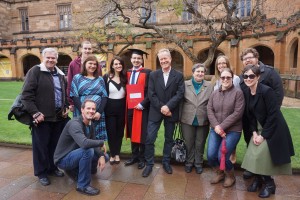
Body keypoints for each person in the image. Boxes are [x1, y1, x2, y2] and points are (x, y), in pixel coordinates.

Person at [241, 65, 294, 198]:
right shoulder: (247, 92)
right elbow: (250, 115)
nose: (248, 78)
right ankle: (258, 180)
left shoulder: (266, 91)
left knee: (260, 156)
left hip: (273, 127)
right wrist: (254, 132)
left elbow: (273, 114)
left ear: (258, 77)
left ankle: (270, 184)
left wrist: (263, 136)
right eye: (246, 76)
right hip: (257, 128)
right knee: (252, 155)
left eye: (252, 76)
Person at [21, 48, 69, 186]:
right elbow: (26, 95)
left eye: (53, 58)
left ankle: (52, 168)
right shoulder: (35, 71)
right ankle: (41, 173)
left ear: (56, 60)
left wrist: (65, 106)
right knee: (40, 146)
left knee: (54, 146)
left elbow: (63, 94)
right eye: (48, 57)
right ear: (43, 58)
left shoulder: (60, 74)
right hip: (41, 118)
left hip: (58, 117)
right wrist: (35, 113)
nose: (50, 60)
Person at [239, 47, 284, 179]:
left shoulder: (269, 73)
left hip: (265, 118)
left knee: (265, 146)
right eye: (245, 59)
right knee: (250, 141)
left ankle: (267, 178)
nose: (247, 60)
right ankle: (252, 168)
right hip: (250, 117)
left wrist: (271, 114)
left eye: (250, 57)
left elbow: (278, 94)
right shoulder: (244, 75)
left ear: (256, 58)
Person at [142, 48, 185, 177]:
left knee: (168, 139)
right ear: (159, 61)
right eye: (161, 59)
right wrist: (162, 107)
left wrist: (168, 107)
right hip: (156, 111)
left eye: (166, 58)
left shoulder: (178, 75)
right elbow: (151, 94)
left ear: (170, 59)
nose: (164, 61)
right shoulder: (153, 75)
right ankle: (149, 164)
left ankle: (166, 162)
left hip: (171, 112)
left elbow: (180, 94)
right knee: (149, 138)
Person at [54, 99, 106, 196]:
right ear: (82, 110)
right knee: (88, 151)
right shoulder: (74, 124)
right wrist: (101, 142)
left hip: (74, 153)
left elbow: (93, 142)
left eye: (93, 109)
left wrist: (101, 155)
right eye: (88, 108)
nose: (91, 111)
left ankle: (79, 171)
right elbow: (84, 143)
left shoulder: (90, 124)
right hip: (63, 159)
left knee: (104, 156)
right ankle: (82, 185)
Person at [207, 68, 245, 188]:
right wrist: (216, 126)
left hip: (233, 130)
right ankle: (219, 172)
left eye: (228, 77)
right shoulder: (214, 93)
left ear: (232, 79)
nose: (225, 80)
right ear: (220, 79)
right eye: (223, 77)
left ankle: (230, 175)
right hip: (216, 128)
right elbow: (209, 110)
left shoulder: (238, 93)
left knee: (221, 155)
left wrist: (221, 127)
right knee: (211, 155)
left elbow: (237, 113)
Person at [180, 63, 213, 174]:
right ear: (193, 73)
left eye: (202, 72)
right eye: (197, 71)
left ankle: (198, 163)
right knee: (189, 142)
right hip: (187, 118)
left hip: (203, 118)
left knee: (200, 142)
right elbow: (180, 101)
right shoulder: (185, 84)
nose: (200, 73)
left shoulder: (210, 86)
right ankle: (189, 162)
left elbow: (211, 103)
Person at [124, 49, 151, 170]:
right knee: (131, 130)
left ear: (142, 60)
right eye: (134, 58)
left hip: (142, 107)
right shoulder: (127, 72)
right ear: (131, 60)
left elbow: (151, 91)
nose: (136, 60)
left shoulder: (148, 72)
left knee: (141, 133)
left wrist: (142, 104)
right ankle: (134, 156)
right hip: (130, 107)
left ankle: (142, 158)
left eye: (138, 58)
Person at [70, 55, 108, 140]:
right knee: (83, 135)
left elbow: (104, 97)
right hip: (82, 113)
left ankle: (98, 153)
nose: (93, 66)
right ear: (85, 64)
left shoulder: (100, 79)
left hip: (97, 114)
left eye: (95, 64)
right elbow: (74, 95)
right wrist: (84, 111)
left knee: (96, 137)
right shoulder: (77, 78)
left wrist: (99, 112)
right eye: (90, 63)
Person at [211, 55, 240, 164]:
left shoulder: (236, 79)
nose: (221, 65)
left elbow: (238, 97)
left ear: (228, 64)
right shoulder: (215, 79)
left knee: (228, 145)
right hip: (218, 117)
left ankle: (233, 151)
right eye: (219, 63)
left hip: (231, 116)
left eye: (223, 63)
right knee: (214, 152)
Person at [103, 56, 127, 165]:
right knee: (111, 132)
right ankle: (112, 154)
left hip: (122, 108)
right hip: (110, 108)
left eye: (120, 64)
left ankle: (117, 154)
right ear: (112, 65)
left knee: (119, 132)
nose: (118, 66)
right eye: (116, 64)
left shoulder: (125, 77)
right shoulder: (106, 77)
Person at [67, 41, 102, 111]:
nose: (87, 51)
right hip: (79, 101)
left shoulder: (97, 65)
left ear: (92, 50)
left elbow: (100, 84)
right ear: (81, 49)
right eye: (85, 48)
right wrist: (71, 102)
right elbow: (69, 83)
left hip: (94, 103)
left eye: (89, 49)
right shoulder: (73, 64)